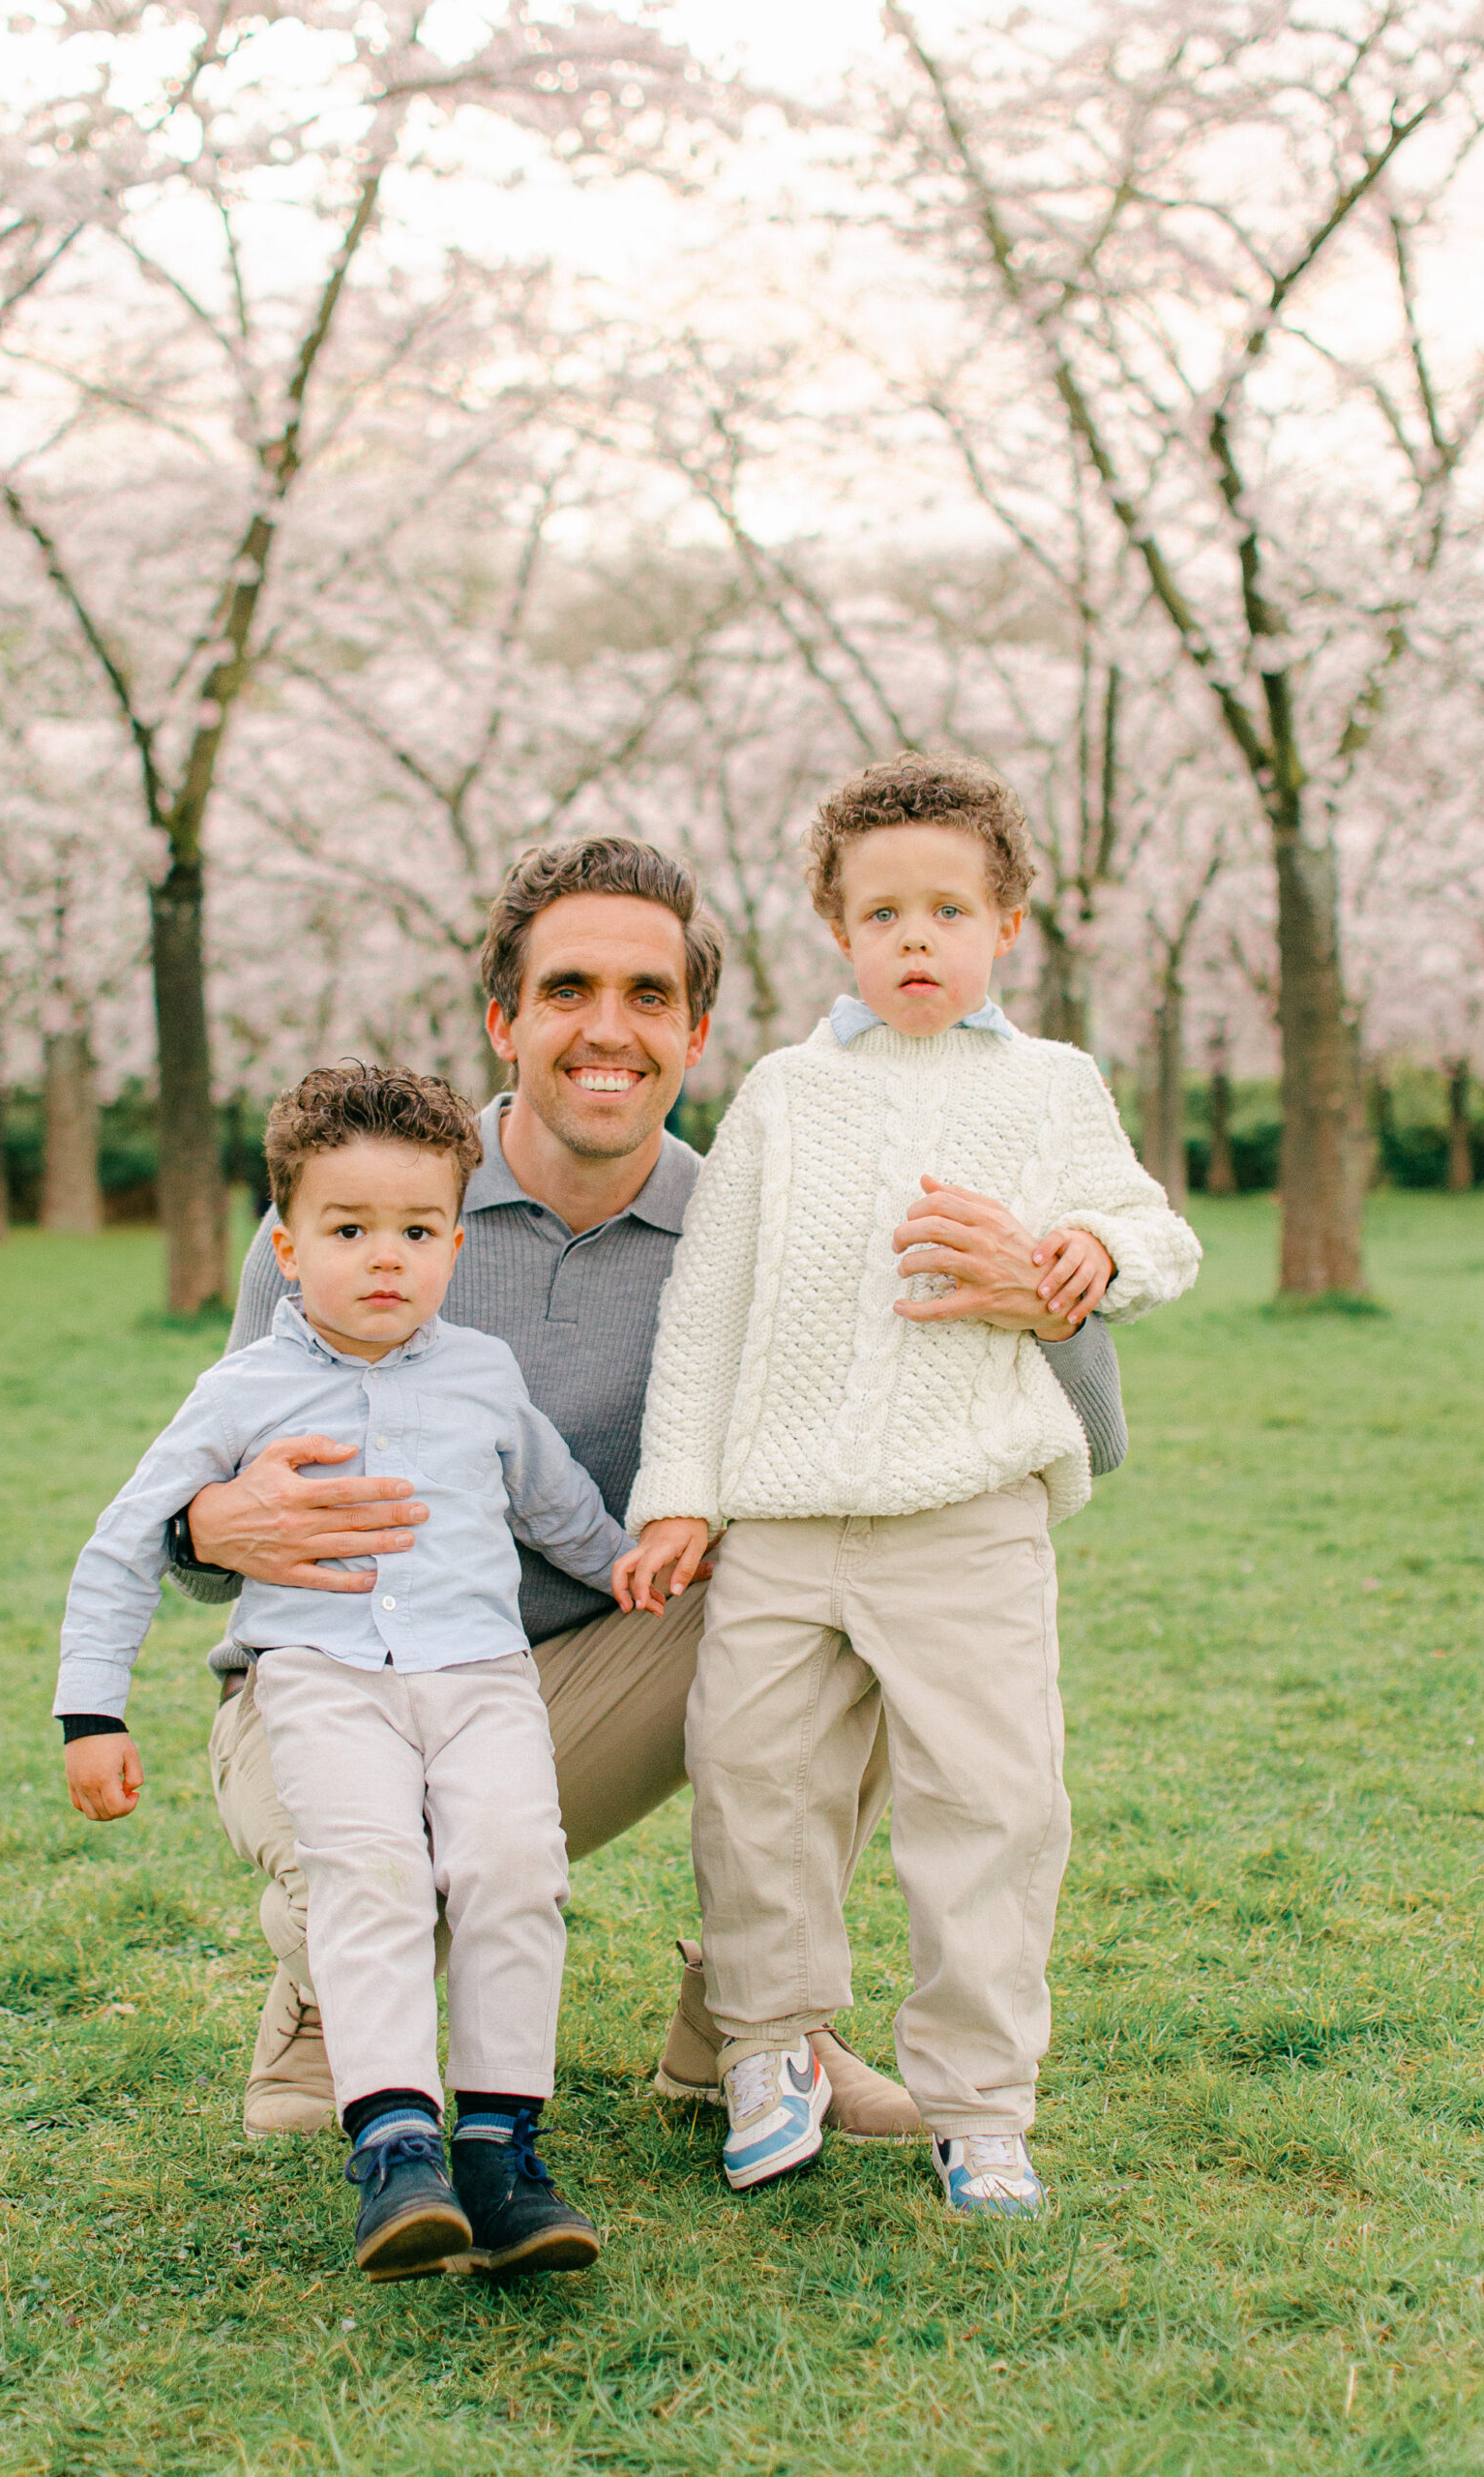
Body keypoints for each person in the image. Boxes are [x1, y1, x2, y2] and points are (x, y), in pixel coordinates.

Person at [164, 837, 1133, 2139]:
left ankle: (751, 2026)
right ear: (504, 1021)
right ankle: (323, 2004)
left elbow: (1101, 1440)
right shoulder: (371, 1211)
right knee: (378, 1858)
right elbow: (204, 1509)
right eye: (568, 991)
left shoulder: (765, 1218)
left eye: (649, 996)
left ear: (698, 1032)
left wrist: (1052, 1304)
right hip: (344, 1680)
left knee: (858, 1561)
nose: (606, 1030)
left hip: (606, 1662)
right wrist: (201, 1524)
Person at [614, 753, 1202, 2218]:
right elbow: (706, 1310)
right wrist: (678, 1491)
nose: (917, 940)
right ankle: (766, 2046)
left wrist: (1098, 1255)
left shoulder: (1052, 1087)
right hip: (783, 1524)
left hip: (970, 1518)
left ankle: (978, 2101)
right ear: (838, 930)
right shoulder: (782, 1095)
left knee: (992, 1804)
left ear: (1007, 921)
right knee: (755, 1786)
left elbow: (1155, 1229)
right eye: (884, 915)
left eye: (950, 909)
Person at [59, 1064, 615, 2282]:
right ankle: (394, 2144)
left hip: (480, 1678)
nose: (385, 1259)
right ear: (286, 1243)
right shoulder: (246, 1389)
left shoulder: (481, 1375)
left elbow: (561, 1510)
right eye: (348, 1229)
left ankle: (502, 2149)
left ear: (455, 1244)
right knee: (370, 1869)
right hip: (323, 1676)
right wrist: (89, 1710)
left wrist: (635, 1568)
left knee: (514, 1866)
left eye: (415, 1232)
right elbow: (123, 1539)